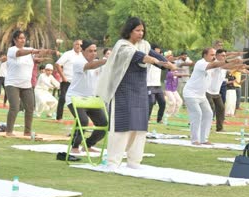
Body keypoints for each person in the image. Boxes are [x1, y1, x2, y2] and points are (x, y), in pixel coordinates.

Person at [96, 17, 175, 169]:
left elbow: (156, 56)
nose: (140, 33)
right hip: (122, 90)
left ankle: (134, 161)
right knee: (121, 126)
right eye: (137, 30)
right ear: (129, 31)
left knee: (139, 127)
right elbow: (139, 56)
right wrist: (157, 62)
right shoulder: (122, 45)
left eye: (142, 30)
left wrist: (167, 63)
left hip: (139, 90)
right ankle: (113, 161)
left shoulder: (144, 45)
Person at [183, 47, 249, 145]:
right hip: (191, 94)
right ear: (205, 55)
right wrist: (227, 60)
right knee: (197, 114)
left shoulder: (213, 65)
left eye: (214, 55)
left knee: (209, 114)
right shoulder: (201, 63)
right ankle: (195, 140)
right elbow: (215, 64)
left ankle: (204, 139)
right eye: (212, 55)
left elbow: (226, 66)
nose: (214, 57)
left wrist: (237, 64)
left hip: (201, 95)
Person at [5, 30, 53, 136]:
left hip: (26, 84)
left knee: (30, 107)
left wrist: (45, 53)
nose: (23, 40)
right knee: (15, 107)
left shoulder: (28, 51)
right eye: (20, 38)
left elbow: (35, 56)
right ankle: (9, 131)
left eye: (24, 38)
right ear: (15, 40)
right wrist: (33, 51)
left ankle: (27, 131)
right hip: (12, 83)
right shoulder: (12, 50)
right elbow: (20, 53)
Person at [66, 40, 108, 153]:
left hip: (91, 99)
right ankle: (74, 147)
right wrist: (105, 60)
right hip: (74, 98)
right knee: (83, 121)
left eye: (95, 51)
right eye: (90, 51)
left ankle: (88, 145)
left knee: (104, 123)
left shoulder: (97, 63)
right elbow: (90, 66)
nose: (93, 53)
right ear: (82, 51)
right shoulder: (78, 62)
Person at [55, 40, 82, 121]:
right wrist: (63, 77)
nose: (79, 46)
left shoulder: (82, 55)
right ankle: (59, 117)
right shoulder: (68, 54)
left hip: (77, 82)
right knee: (63, 98)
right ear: (74, 45)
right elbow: (58, 64)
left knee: (77, 100)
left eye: (80, 45)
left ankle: (78, 118)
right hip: (67, 80)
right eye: (77, 44)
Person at [206, 49, 228, 132]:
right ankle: (207, 126)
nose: (224, 57)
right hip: (208, 91)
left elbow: (229, 66)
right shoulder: (214, 63)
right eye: (222, 55)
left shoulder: (224, 66)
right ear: (217, 55)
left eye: (225, 56)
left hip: (216, 92)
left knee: (221, 108)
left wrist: (240, 66)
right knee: (210, 109)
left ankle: (220, 127)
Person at [147, 44, 166, 123]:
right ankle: (147, 118)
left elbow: (166, 63)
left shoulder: (160, 60)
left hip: (158, 85)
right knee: (151, 102)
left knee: (163, 102)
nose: (158, 54)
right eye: (156, 52)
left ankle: (159, 119)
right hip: (149, 85)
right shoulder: (149, 59)